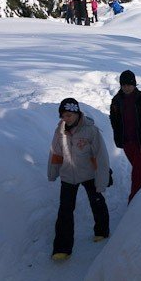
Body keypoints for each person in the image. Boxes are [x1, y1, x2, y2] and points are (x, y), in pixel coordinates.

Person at [48, 97, 110, 261]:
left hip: (88, 173)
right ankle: (62, 247)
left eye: (69, 115)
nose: (65, 119)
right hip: (68, 174)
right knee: (65, 211)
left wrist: (102, 179)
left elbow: (101, 155)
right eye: (63, 115)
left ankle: (102, 230)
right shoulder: (59, 130)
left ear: (76, 114)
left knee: (96, 202)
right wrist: (53, 172)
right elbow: (55, 152)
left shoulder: (90, 130)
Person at [109, 70, 141, 203]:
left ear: (134, 84)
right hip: (126, 142)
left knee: (136, 172)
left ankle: (133, 199)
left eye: (129, 84)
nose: (126, 87)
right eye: (124, 85)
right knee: (140, 169)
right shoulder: (116, 101)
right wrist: (117, 136)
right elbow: (113, 120)